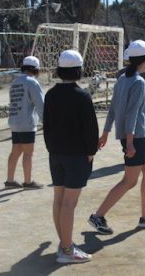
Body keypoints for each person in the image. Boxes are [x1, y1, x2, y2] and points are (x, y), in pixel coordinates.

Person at [89, 40, 145, 235]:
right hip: (135, 137)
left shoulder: (123, 79)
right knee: (129, 181)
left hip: (136, 136)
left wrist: (106, 133)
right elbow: (131, 114)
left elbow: (113, 109)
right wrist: (130, 142)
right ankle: (98, 215)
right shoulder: (139, 81)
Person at [43, 50, 98, 264]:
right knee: (69, 203)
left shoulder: (50, 94)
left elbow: (46, 125)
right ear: (79, 70)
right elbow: (90, 128)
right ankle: (66, 249)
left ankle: (64, 243)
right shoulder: (82, 95)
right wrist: (91, 152)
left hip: (55, 154)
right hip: (76, 156)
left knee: (59, 200)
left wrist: (52, 149)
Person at [5, 56, 44, 189]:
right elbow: (40, 104)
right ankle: (28, 182)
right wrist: (47, 122)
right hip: (26, 123)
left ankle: (9, 180)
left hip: (14, 121)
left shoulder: (15, 81)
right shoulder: (32, 82)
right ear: (36, 69)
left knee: (15, 151)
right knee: (28, 152)